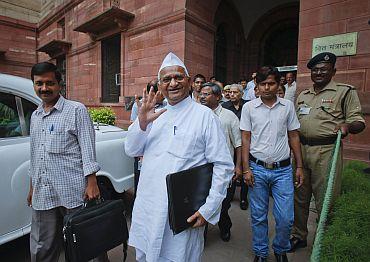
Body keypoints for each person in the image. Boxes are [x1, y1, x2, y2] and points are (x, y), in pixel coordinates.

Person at [124, 52, 234, 262]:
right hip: (149, 206)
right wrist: (142, 124)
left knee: (179, 256)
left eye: (178, 77)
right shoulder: (154, 114)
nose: (173, 83)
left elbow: (223, 166)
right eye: (166, 79)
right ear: (160, 84)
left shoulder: (204, 116)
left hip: (183, 211)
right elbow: (131, 150)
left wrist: (208, 209)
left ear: (190, 82)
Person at [27, 62, 107, 262]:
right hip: (44, 191)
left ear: (59, 84)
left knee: (87, 241)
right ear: (33, 85)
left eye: (49, 83)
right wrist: (32, 187)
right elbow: (35, 154)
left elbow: (88, 148)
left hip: (75, 191)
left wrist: (92, 182)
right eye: (39, 83)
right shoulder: (36, 116)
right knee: (41, 245)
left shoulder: (75, 110)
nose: (44, 88)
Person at [290, 52, 366, 252]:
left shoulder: (345, 92)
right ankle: (298, 235)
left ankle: (323, 240)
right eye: (315, 70)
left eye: (323, 69)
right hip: (300, 150)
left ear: (333, 71)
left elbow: (359, 122)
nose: (319, 73)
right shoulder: (303, 95)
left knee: (326, 197)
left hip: (326, 150)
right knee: (299, 196)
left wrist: (347, 126)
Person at [240, 66, 304, 262]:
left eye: (271, 83)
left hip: (283, 170)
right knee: (258, 216)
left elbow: (293, 135)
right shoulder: (249, 108)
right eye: (263, 84)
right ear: (257, 86)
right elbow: (245, 139)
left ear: (279, 84)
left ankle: (280, 249)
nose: (267, 88)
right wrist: (246, 169)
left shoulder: (287, 106)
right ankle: (260, 252)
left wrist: (299, 166)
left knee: (286, 218)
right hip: (257, 169)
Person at [199, 82, 242, 242]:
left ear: (218, 97)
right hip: (202, 171)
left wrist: (238, 168)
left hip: (223, 170)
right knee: (202, 203)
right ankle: (201, 234)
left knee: (222, 205)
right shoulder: (198, 115)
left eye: (206, 94)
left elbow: (238, 144)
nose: (202, 97)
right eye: (201, 94)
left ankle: (225, 227)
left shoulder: (229, 116)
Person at [222, 84, 249, 210]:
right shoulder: (224, 107)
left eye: (235, 92)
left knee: (244, 169)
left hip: (246, 142)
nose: (231, 94)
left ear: (241, 94)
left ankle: (244, 198)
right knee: (232, 169)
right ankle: (231, 194)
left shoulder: (248, 106)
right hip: (231, 144)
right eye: (230, 92)